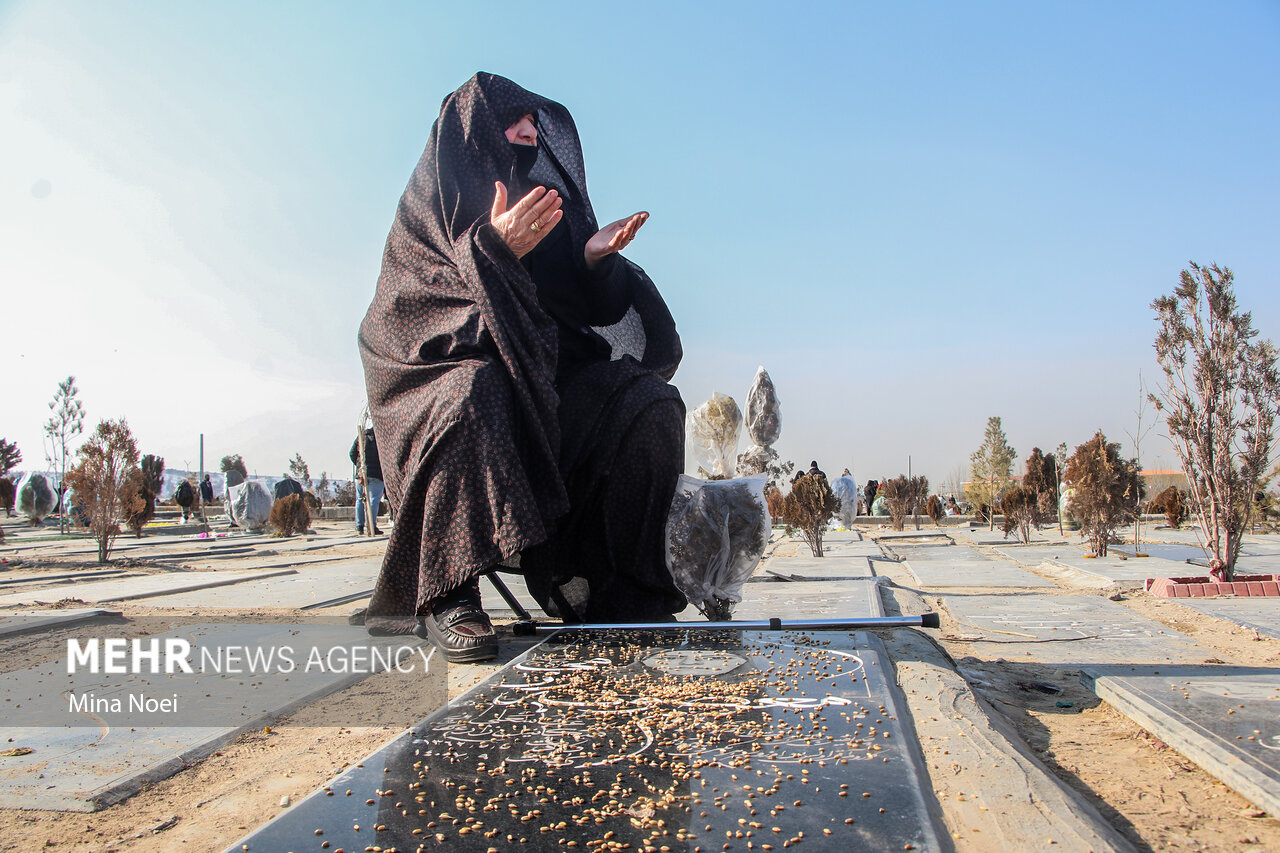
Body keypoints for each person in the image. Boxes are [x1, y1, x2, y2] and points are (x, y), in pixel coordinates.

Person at [358, 74, 685, 661]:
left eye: (535, 122)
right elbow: (402, 316)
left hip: (546, 386)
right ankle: (448, 594)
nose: (529, 131)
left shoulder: (540, 206)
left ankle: (625, 591)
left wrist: (591, 260)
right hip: (443, 375)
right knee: (473, 390)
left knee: (645, 401)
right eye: (514, 119)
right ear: (473, 126)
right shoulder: (430, 208)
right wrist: (491, 249)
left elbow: (582, 311)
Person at [349, 427, 384, 536]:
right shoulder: (381, 437)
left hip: (361, 473)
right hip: (377, 473)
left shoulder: (362, 436)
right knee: (374, 501)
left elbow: (352, 453)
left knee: (360, 499)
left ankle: (359, 526)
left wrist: (359, 465)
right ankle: (371, 526)